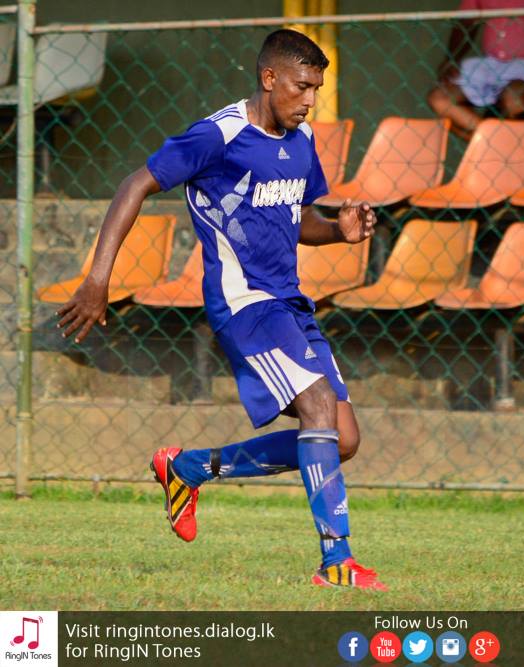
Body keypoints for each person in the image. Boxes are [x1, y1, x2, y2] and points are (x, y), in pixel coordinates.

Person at [54, 29, 385, 591]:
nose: (310, 100)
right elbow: (135, 184)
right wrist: (97, 279)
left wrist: (338, 231)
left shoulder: (301, 139)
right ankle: (336, 561)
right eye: (302, 87)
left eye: (317, 89)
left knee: (343, 437)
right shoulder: (218, 135)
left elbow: (295, 217)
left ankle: (188, 469)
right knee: (318, 404)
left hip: (290, 303)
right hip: (244, 303)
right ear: (269, 78)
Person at [427, 0, 524, 141]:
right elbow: (466, 22)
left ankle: (494, 143)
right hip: (491, 62)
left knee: (513, 100)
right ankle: (492, 142)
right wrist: (451, 58)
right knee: (439, 98)